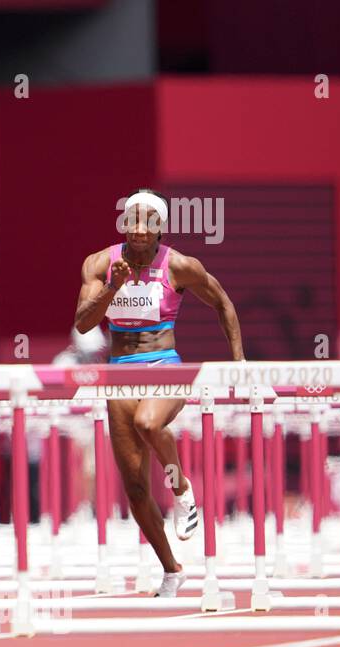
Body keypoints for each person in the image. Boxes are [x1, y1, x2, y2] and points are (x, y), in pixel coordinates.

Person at [73, 188, 244, 597]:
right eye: (131, 219)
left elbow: (222, 303)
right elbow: (82, 323)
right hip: (119, 372)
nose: (137, 228)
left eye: (147, 221)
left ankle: (182, 489)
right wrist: (111, 289)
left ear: (160, 227)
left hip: (164, 364)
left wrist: (240, 364)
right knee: (134, 487)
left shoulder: (179, 266)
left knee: (148, 421)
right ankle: (171, 570)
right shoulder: (100, 263)